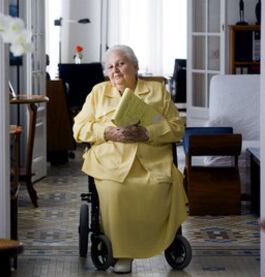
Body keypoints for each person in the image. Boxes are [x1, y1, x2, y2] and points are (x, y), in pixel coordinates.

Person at [73, 45, 188, 274]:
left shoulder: (157, 90)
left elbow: (177, 128)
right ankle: (122, 253)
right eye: (110, 66)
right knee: (116, 191)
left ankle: (162, 241)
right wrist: (107, 132)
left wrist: (148, 133)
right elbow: (79, 128)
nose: (115, 70)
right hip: (110, 162)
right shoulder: (98, 92)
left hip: (152, 159)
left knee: (161, 186)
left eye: (121, 64)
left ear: (135, 67)